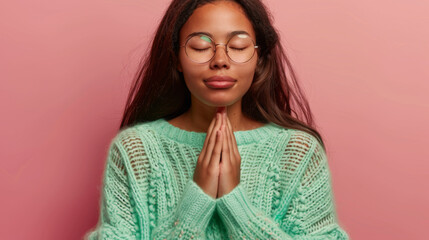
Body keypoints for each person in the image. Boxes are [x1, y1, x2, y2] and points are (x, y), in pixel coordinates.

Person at [85, 0, 350, 239]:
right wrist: (195, 202)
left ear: (259, 58)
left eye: (238, 46)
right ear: (176, 57)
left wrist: (236, 205)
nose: (220, 60)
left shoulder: (298, 153)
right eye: (201, 46)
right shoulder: (135, 151)